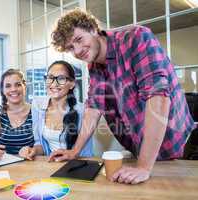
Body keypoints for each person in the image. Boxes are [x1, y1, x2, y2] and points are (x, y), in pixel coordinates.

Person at [49, 8, 195, 184]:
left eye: (79, 39)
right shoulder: (93, 66)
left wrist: (143, 167)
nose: (78, 50)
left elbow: (158, 98)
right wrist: (75, 151)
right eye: (71, 47)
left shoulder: (137, 38)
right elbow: (94, 107)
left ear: (93, 29)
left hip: (178, 149)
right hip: (142, 154)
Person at [19, 60, 93, 160]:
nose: (54, 83)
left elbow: (86, 152)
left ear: (71, 84)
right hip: (50, 165)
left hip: (77, 165)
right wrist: (33, 150)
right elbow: (40, 144)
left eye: (61, 79)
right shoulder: (38, 106)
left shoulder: (83, 111)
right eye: (50, 78)